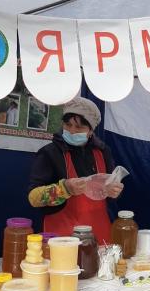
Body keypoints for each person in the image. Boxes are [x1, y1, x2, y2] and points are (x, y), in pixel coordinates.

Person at [27, 96, 123, 243]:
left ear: (91, 130)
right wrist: (64, 189)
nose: (71, 131)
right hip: (63, 236)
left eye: (79, 127)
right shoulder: (50, 153)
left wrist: (114, 191)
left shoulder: (103, 152)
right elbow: (33, 198)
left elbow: (110, 190)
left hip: (99, 232)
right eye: (68, 124)